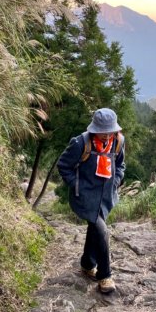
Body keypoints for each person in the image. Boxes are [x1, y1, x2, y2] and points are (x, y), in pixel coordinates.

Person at [57, 108, 125, 294]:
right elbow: (63, 166)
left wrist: (116, 181)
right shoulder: (81, 143)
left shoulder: (118, 142)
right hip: (85, 198)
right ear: (94, 129)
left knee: (94, 229)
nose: (106, 136)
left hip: (106, 197)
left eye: (109, 131)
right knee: (102, 231)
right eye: (102, 132)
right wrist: (77, 185)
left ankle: (87, 264)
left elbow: (120, 165)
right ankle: (105, 276)